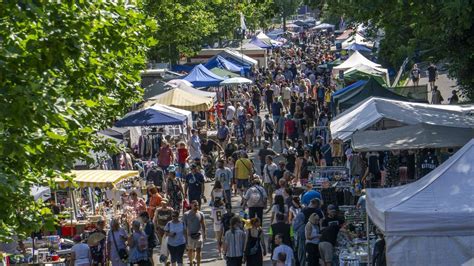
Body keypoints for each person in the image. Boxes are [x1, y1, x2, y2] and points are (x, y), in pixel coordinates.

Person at [183, 200, 206, 266]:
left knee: (199, 251)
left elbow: (203, 224)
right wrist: (185, 237)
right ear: (191, 205)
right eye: (195, 205)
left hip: (198, 235)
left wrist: (204, 233)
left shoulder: (201, 214)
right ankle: (191, 263)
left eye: (197, 205)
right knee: (190, 250)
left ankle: (198, 264)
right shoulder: (186, 214)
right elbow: (184, 227)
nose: (197, 207)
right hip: (190, 236)